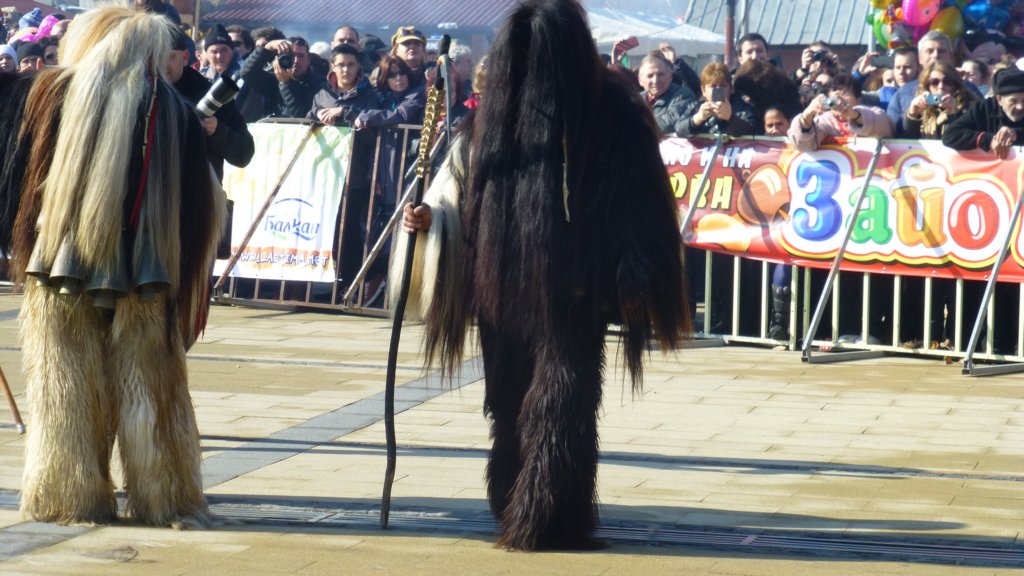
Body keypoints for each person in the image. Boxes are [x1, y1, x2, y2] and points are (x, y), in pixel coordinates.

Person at [396, 0, 687, 550]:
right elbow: (457, 188)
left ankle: (549, 516)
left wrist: (635, 268)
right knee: (507, 402)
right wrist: (431, 218)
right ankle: (512, 498)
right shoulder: (490, 117)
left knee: (561, 403)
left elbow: (642, 201)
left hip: (575, 290)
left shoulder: (614, 114)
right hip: (501, 289)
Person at [2, 6, 224, 527]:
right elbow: (202, 214)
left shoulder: (42, 95)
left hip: (58, 271)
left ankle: (68, 492)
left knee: (64, 383)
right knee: (150, 381)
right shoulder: (174, 111)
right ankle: (164, 494)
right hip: (149, 278)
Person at [167, 26, 254, 181]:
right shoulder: (138, 94)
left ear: (185, 57)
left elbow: (244, 154)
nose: (160, 64)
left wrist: (217, 131)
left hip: (198, 191)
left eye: (169, 57)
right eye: (154, 57)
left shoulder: (209, 95)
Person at [788, 73, 892, 151]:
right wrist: (807, 115)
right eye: (834, 94)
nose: (839, 99)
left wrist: (853, 115)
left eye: (845, 94)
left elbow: (885, 129)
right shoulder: (825, 120)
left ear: (858, 99)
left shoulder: (872, 113)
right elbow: (803, 144)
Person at [943, 66, 1024, 158]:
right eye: (1013, 101)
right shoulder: (983, 108)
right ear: (999, 99)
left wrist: (1015, 134)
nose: (1020, 107)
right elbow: (950, 135)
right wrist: (987, 140)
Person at [676, 62, 757, 137]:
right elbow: (679, 130)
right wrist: (697, 118)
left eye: (723, 86)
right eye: (713, 86)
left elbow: (752, 132)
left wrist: (730, 117)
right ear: (703, 90)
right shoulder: (695, 107)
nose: (718, 90)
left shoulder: (743, 107)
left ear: (730, 89)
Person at [637, 51, 695, 134]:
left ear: (670, 76)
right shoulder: (634, 99)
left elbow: (667, 124)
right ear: (640, 80)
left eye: (660, 74)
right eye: (650, 76)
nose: (655, 80)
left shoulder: (683, 95)